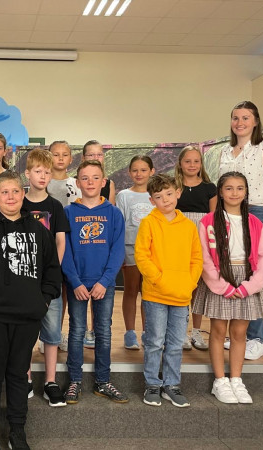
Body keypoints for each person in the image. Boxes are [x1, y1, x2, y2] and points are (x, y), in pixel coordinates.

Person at [0, 171, 61, 450]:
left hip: (27, 316)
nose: (11, 197)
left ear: (23, 194)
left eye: (16, 191)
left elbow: (52, 271)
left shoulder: (39, 230)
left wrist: (42, 301)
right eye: (4, 192)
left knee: (18, 375)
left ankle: (17, 431)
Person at [193, 172, 263, 404]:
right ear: (220, 192)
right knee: (218, 331)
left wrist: (249, 286)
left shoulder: (254, 222)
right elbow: (205, 257)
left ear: (246, 192)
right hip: (221, 278)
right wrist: (221, 286)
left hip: (246, 279)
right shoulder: (207, 222)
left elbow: (262, 257)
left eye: (239, 188)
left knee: (239, 333)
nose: (234, 193)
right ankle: (220, 381)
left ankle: (236, 379)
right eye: (229, 188)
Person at [218, 101, 263, 360]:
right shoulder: (225, 151)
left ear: (255, 121)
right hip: (226, 213)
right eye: (236, 118)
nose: (240, 122)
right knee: (231, 270)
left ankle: (255, 338)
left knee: (252, 272)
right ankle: (237, 335)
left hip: (255, 211)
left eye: (246, 117)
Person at [62, 160, 127, 405]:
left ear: (104, 182)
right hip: (77, 283)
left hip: (104, 284)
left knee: (103, 331)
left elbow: (117, 250)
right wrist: (75, 282)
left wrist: (106, 281)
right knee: (77, 331)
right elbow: (64, 251)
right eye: (85, 178)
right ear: (77, 183)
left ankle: (103, 381)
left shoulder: (114, 213)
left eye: (95, 177)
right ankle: (75, 380)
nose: (90, 182)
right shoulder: (68, 213)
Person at [135, 174, 202, 408]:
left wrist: (190, 283)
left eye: (169, 194)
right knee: (154, 341)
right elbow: (141, 256)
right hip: (156, 295)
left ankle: (171, 385)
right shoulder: (148, 223)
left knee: (175, 343)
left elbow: (196, 258)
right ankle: (152, 384)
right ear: (151, 200)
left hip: (181, 296)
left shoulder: (189, 226)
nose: (165, 200)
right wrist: (159, 279)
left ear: (178, 193)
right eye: (159, 196)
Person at [22, 149, 69, 407]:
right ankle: (26, 378)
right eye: (38, 171)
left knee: (51, 333)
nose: (43, 176)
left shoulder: (55, 207)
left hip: (49, 282)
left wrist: (52, 272)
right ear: (27, 173)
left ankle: (50, 381)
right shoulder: (19, 205)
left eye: (47, 172)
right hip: (24, 282)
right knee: (26, 332)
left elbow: (60, 242)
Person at [174, 144, 217, 351]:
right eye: (187, 161)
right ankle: (180, 331)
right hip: (178, 237)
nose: (192, 165)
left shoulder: (210, 188)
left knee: (199, 287)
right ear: (180, 164)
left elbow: (214, 218)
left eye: (196, 161)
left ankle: (196, 331)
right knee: (183, 286)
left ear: (201, 164)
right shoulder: (174, 187)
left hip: (202, 239)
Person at [78, 140, 117, 349]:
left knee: (103, 320)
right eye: (91, 154)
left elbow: (112, 229)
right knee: (77, 321)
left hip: (102, 266)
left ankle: (93, 331)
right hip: (80, 265)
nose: (95, 157)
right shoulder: (72, 209)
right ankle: (84, 331)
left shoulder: (111, 202)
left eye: (99, 154)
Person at [116, 156, 155, 350]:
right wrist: (120, 253)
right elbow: (120, 225)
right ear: (129, 172)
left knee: (148, 293)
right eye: (135, 170)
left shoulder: (157, 194)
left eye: (143, 170)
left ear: (152, 171)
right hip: (130, 248)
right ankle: (130, 333)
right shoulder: (123, 195)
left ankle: (147, 332)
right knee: (131, 290)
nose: (139, 174)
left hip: (152, 251)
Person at [46, 140, 81, 351]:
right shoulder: (44, 181)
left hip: (71, 244)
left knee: (65, 291)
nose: (60, 158)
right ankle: (46, 335)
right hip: (48, 243)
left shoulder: (76, 184)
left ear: (71, 158)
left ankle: (57, 333)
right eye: (55, 154)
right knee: (48, 290)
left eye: (64, 154)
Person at [82, 140, 116, 204]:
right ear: (83, 158)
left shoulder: (109, 184)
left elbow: (111, 209)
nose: (96, 158)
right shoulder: (74, 182)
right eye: (91, 155)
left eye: (99, 155)